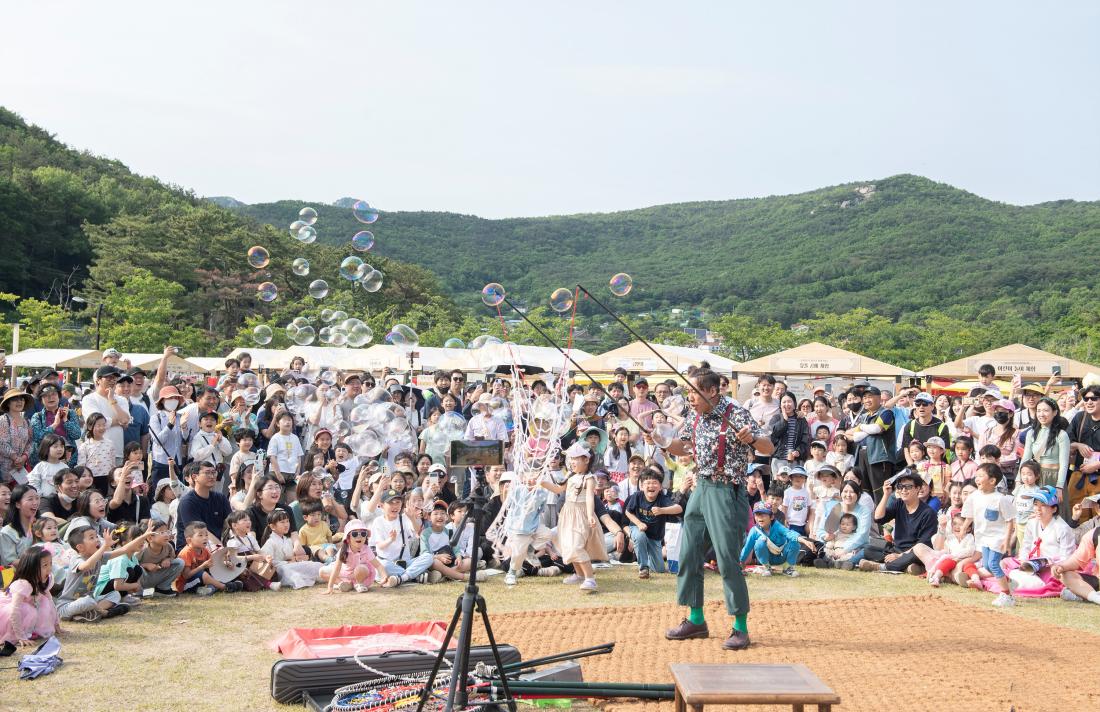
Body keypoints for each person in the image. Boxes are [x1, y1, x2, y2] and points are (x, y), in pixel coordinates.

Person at [664, 368, 772, 651]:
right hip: (701, 487)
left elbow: (768, 447)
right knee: (688, 554)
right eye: (688, 392)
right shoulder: (695, 416)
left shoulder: (735, 413)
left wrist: (751, 439)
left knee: (726, 560)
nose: (690, 398)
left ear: (713, 391)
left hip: (726, 491)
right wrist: (661, 440)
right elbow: (682, 447)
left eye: (694, 392)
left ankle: (740, 627)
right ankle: (696, 619)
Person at [540, 442, 605, 593]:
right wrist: (542, 482)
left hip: (581, 515)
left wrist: (590, 515)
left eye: (575, 458)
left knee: (577, 545)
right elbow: (557, 489)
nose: (572, 462)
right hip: (567, 514)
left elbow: (589, 497)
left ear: (586, 460)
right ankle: (579, 574)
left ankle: (590, 578)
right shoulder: (570, 476)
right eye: (570, 459)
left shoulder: (589, 478)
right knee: (568, 545)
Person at [859, 469, 937, 574]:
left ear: (918, 488)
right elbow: (878, 518)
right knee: (868, 549)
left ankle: (881, 566)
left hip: (914, 552)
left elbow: (923, 544)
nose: (903, 490)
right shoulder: (899, 503)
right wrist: (886, 495)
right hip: (896, 549)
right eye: (900, 487)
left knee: (913, 555)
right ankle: (906, 567)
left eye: (908, 487)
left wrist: (900, 556)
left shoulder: (928, 513)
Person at [961, 463, 1017, 607]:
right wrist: (963, 528)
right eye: (976, 476)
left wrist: (1006, 539)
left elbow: (1010, 520)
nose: (977, 479)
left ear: (992, 481)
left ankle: (1006, 594)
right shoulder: (974, 496)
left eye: (981, 476)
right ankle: (1008, 582)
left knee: (993, 564)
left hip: (997, 537)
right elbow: (969, 515)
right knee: (986, 565)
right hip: (983, 537)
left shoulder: (1001, 499)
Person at [369, 488, 437, 587]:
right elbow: (379, 546)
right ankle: (415, 576)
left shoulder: (404, 518)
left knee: (429, 557)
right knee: (383, 566)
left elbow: (417, 532)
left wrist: (412, 518)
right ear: (382, 505)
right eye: (391, 503)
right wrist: (390, 540)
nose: (395, 506)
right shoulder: (378, 521)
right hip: (388, 562)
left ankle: (402, 578)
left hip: (405, 562)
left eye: (398, 502)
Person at [624, 469, 682, 578]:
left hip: (654, 537)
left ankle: (648, 561)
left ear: (660, 487)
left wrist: (662, 510)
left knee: (659, 569)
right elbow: (628, 512)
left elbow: (678, 508)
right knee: (640, 536)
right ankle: (643, 568)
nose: (651, 485)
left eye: (655, 483)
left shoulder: (663, 499)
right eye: (648, 483)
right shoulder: (637, 496)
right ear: (641, 486)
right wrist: (639, 523)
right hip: (637, 528)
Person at [844, 386, 896, 503]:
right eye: (865, 397)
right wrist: (865, 430)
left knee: (879, 491)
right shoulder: (865, 416)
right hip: (862, 455)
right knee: (864, 490)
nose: (867, 400)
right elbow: (852, 435)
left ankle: (882, 519)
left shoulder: (886, 413)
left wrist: (861, 427)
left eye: (870, 397)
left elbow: (877, 428)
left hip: (879, 457)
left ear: (879, 398)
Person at [0, 546, 59, 648]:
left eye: (50, 564)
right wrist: (20, 636)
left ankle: (31, 630)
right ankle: (17, 632)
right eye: (45, 565)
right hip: (9, 611)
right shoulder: (23, 584)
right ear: (31, 568)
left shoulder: (44, 581)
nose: (49, 568)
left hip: (24, 609)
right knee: (27, 609)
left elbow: (50, 603)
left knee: (44, 603)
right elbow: (14, 611)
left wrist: (56, 623)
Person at [501, 475, 553, 587]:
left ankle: (530, 550)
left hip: (533, 526)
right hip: (518, 528)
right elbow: (506, 504)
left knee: (547, 533)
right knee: (518, 553)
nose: (531, 480)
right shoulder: (517, 489)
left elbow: (541, 511)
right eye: (528, 476)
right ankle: (511, 573)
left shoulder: (542, 493)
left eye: (535, 477)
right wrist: (505, 491)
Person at [740, 502, 816, 577]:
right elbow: (747, 547)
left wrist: (804, 541)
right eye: (757, 514)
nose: (760, 517)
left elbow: (789, 533)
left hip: (781, 557)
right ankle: (767, 568)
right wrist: (742, 561)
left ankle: (788, 568)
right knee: (759, 543)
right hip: (767, 558)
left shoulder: (778, 526)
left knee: (794, 543)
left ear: (771, 517)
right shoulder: (754, 530)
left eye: (763, 514)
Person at [1021, 396, 1071, 510]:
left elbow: (1064, 463)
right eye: (1039, 410)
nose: (1041, 414)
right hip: (1036, 476)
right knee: (1035, 510)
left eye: (1046, 410)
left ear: (1054, 412)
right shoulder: (1032, 433)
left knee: (1053, 510)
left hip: (1053, 477)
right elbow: (1025, 459)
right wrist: (1019, 480)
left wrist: (1059, 486)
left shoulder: (1062, 435)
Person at [78, 366, 131, 471]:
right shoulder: (89, 399)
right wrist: (117, 421)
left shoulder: (121, 400)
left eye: (115, 378)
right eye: (109, 378)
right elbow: (95, 423)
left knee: (115, 484)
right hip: (95, 450)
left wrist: (112, 400)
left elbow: (125, 420)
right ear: (98, 380)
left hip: (117, 451)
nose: (112, 381)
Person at [174, 522, 243, 596]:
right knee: (204, 575)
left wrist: (226, 564)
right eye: (200, 535)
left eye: (206, 535)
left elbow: (214, 563)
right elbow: (186, 575)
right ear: (189, 540)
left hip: (200, 581)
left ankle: (209, 589)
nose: (205, 538)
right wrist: (202, 566)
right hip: (185, 585)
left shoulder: (205, 550)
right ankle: (225, 587)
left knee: (214, 574)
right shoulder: (186, 552)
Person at [174, 461, 231, 549]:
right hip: (192, 551)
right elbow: (199, 532)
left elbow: (230, 523)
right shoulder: (187, 502)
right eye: (207, 473)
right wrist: (221, 549)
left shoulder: (221, 498)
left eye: (213, 472)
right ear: (195, 477)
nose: (212, 476)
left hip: (218, 545)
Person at [30, 384, 81, 468]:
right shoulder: (37, 416)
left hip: (67, 461)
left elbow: (77, 435)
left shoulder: (70, 413)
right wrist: (54, 424)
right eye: (46, 396)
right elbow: (37, 437)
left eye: (53, 394)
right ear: (41, 400)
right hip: (45, 462)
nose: (50, 398)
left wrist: (65, 420)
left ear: (59, 396)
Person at [321, 519, 377, 593]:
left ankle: (359, 584)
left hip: (361, 575)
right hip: (346, 574)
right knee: (322, 572)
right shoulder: (343, 550)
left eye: (363, 534)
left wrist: (384, 577)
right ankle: (344, 584)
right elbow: (337, 569)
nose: (359, 536)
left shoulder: (366, 549)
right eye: (354, 534)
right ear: (348, 538)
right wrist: (330, 586)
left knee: (361, 568)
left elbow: (378, 565)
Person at [1053, 527, 1100, 605]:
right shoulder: (1093, 534)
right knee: (1064, 574)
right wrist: (1061, 567)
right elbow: (1077, 560)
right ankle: (1095, 597)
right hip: (1098, 580)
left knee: (1066, 592)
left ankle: (1084, 595)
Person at [0, 388, 35, 486]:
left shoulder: (26, 422)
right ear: (8, 403)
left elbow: (31, 442)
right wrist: (15, 457)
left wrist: (24, 457)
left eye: (22, 399)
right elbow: (1, 443)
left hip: (21, 468)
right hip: (4, 468)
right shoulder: (3, 420)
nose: (19, 402)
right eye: (15, 399)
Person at [1, 484, 39, 566]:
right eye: (30, 499)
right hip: (17, 576)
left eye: (37, 498)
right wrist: (37, 559)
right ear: (18, 504)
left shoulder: (39, 526)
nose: (35, 502)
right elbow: (9, 563)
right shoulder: (7, 532)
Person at [780, 467, 813, 535]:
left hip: (802, 523)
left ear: (805, 479)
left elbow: (808, 506)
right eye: (795, 476)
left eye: (801, 476)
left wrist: (808, 518)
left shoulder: (806, 492)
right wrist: (784, 519)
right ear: (791, 478)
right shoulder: (788, 492)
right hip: (791, 523)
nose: (798, 478)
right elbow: (784, 507)